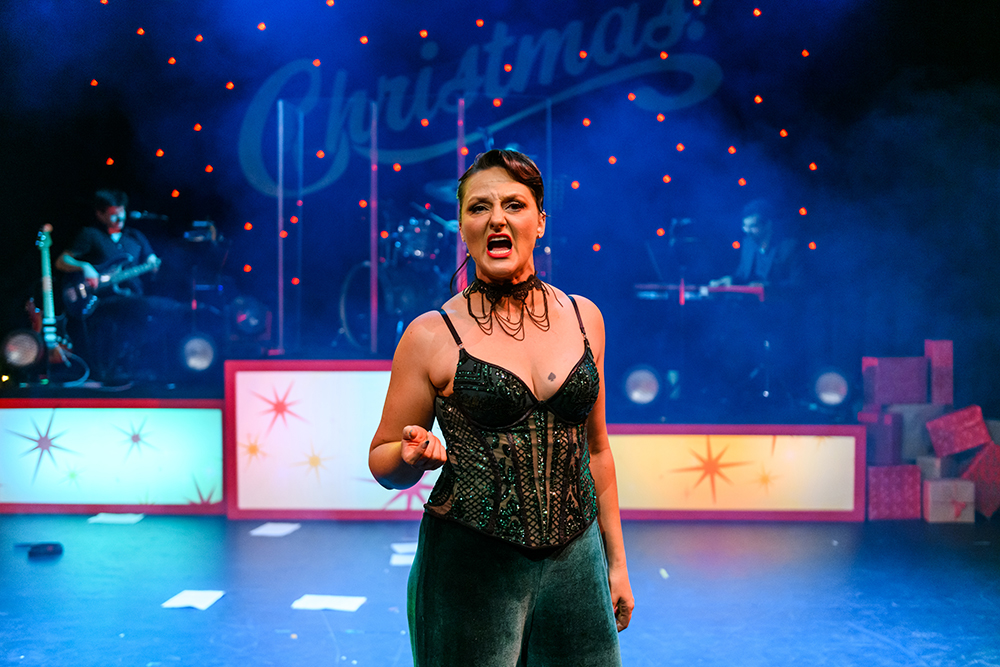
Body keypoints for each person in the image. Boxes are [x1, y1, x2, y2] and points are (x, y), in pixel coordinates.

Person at [369, 149, 633, 666]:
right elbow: (382, 460)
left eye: (513, 205)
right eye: (478, 207)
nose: (496, 218)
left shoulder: (586, 318)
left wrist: (616, 564)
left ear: (539, 221)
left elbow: (597, 453)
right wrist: (409, 456)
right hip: (469, 565)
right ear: (462, 226)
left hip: (576, 564)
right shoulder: (429, 335)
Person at [56, 189, 177, 382]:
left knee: (147, 308)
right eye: (113, 213)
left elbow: (151, 261)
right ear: (100, 214)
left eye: (121, 212)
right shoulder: (90, 234)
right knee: (144, 306)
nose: (119, 217)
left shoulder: (135, 237)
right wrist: (85, 266)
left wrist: (153, 264)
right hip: (102, 301)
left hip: (133, 298)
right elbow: (62, 261)